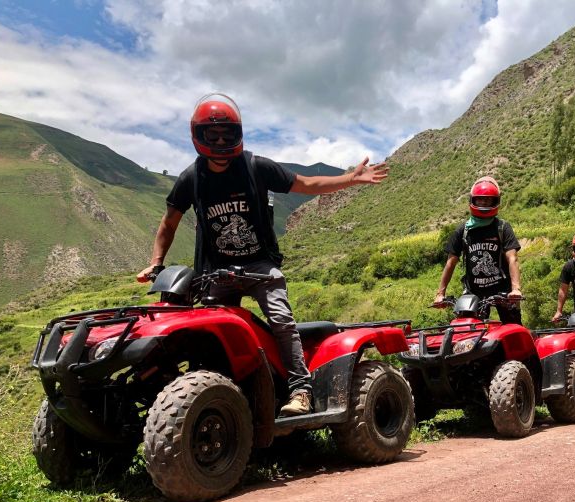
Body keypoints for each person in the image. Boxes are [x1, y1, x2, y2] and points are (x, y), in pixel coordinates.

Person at [136, 93, 387, 416]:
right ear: (198, 136)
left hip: (259, 266)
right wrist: (156, 263)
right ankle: (224, 394)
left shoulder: (255, 167)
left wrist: (350, 179)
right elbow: (169, 223)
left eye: (228, 133)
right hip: (217, 271)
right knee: (207, 332)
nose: (221, 140)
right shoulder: (191, 178)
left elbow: (307, 183)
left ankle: (300, 390)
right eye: (213, 135)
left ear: (238, 133)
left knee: (282, 321)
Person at [434, 177, 522, 323]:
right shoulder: (463, 230)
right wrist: (440, 294)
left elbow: (512, 258)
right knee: (467, 330)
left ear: (496, 201)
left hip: (503, 290)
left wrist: (516, 289)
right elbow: (451, 262)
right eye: (480, 200)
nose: (483, 203)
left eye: (488, 200)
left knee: (514, 330)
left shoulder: (502, 227)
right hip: (473, 291)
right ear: (472, 200)